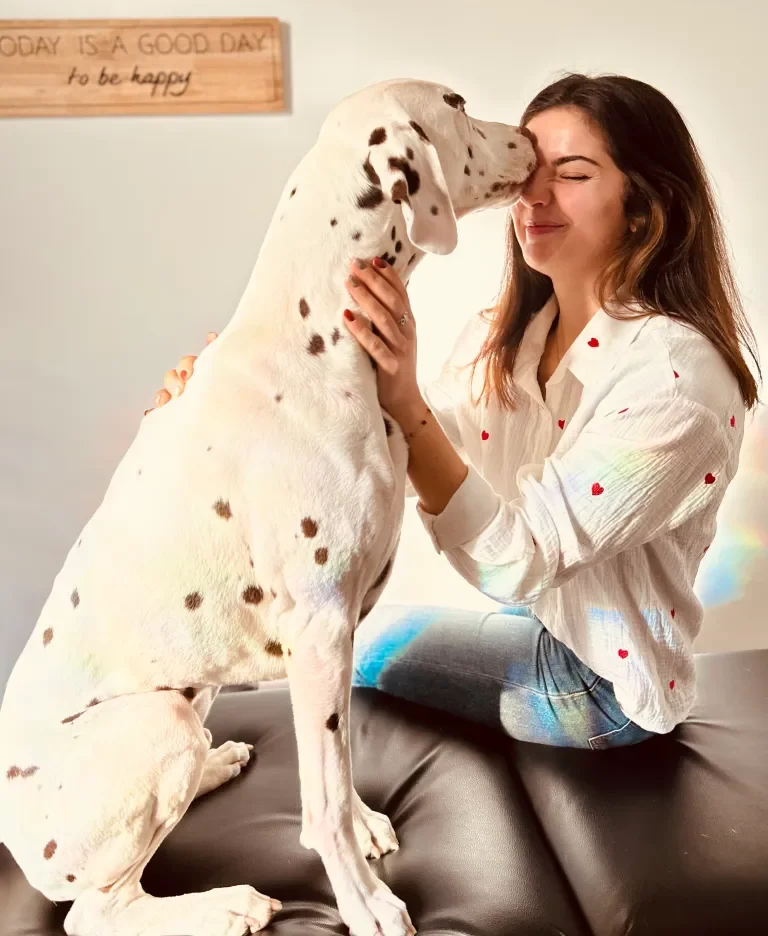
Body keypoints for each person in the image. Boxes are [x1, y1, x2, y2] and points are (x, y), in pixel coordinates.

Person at [149, 73, 761, 751]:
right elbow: (390, 442)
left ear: (647, 206)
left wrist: (404, 403)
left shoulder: (676, 383)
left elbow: (518, 556)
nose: (533, 195)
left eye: (574, 174)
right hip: (546, 630)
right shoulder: (511, 338)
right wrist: (234, 405)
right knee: (316, 625)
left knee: (350, 641)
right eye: (531, 170)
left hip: (602, 692)